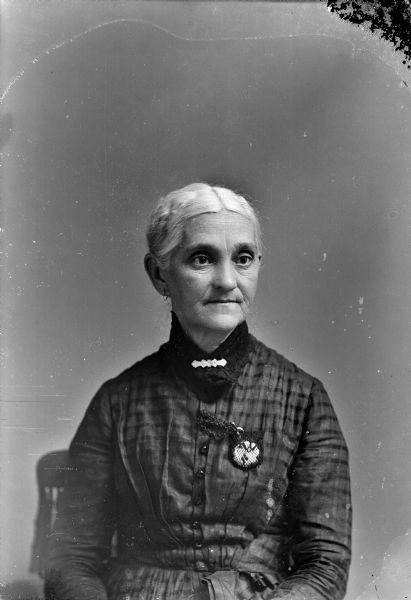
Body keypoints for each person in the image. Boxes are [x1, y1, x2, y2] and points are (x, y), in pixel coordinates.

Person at [45, 183, 352, 600]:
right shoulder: (117, 402)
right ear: (159, 275)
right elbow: (70, 558)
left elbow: (325, 561)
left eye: (243, 258)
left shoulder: (303, 399)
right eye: (202, 259)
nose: (227, 281)